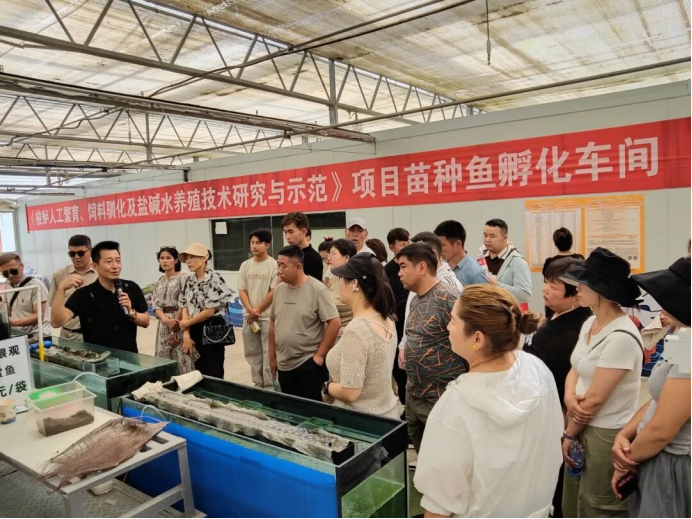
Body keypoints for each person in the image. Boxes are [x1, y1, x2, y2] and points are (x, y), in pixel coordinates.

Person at [415, 285, 563, 518]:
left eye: (453, 321)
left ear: (477, 338)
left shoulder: (456, 406)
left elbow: (439, 504)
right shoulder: (538, 370)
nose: (448, 327)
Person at [559, 248, 644, 519]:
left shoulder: (621, 337)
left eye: (583, 283)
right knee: (575, 500)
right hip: (579, 424)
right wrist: (569, 396)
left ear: (602, 290)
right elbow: (576, 366)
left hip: (604, 432)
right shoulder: (591, 323)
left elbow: (595, 400)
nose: (577, 288)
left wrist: (569, 433)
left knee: (599, 506)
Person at [611, 258, 691, 518]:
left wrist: (626, 461)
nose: (661, 306)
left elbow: (661, 430)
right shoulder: (684, 337)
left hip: (673, 466)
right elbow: (661, 397)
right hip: (656, 456)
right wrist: (626, 433)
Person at [524, 257, 593, 519]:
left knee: (557, 482)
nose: (545, 289)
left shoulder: (570, 332)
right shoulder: (568, 319)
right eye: (545, 282)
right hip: (552, 412)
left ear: (575, 295)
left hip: (556, 415)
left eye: (553, 286)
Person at [396, 243, 466, 455]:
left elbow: (469, 348)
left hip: (441, 401)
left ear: (422, 267)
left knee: (447, 461)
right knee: (426, 463)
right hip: (415, 398)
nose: (399, 273)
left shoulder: (448, 297)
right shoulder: (416, 299)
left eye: (403, 266)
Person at [323, 254, 399, 419]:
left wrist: (327, 387)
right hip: (387, 415)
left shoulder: (357, 331)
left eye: (342, 279)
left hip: (359, 422)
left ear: (355, 284)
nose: (339, 284)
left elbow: (350, 392)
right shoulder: (386, 317)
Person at [269, 246, 340, 401]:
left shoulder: (317, 289)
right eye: (278, 265)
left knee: (313, 410)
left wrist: (319, 356)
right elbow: (273, 323)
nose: (279, 271)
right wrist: (272, 357)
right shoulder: (279, 290)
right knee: (291, 409)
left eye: (283, 266)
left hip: (308, 363)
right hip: (284, 364)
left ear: (298, 266)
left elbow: (334, 322)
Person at [51, 241, 149, 352]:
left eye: (118, 261)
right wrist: (61, 289)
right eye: (109, 262)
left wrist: (131, 312)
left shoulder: (131, 287)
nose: (115, 266)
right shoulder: (85, 294)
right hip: (98, 359)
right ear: (95, 266)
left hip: (129, 357)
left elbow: (146, 322)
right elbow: (56, 322)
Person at [178, 243, 233, 379]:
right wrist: (186, 334)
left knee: (214, 371)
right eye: (187, 258)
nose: (188, 261)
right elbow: (185, 306)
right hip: (192, 328)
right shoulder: (189, 280)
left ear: (204, 258)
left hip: (211, 328)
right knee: (198, 371)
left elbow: (210, 311)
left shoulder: (214, 278)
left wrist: (186, 324)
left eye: (193, 257)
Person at [238, 230, 279, 390]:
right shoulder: (245, 265)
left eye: (258, 243)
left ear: (267, 245)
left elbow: (273, 291)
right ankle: (258, 386)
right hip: (249, 318)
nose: (254, 246)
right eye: (252, 242)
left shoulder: (274, 265)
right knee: (252, 354)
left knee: (269, 354)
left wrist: (257, 310)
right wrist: (250, 310)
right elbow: (242, 290)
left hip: (267, 317)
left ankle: (269, 388)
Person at [152, 247, 194, 374]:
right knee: (163, 359)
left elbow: (184, 302)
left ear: (176, 260)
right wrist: (165, 320)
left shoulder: (185, 277)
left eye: (168, 258)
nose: (164, 261)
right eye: (162, 258)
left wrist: (174, 326)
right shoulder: (159, 281)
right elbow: (156, 305)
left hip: (180, 321)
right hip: (163, 323)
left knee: (182, 358)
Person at [48, 235, 98, 341]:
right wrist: (62, 288)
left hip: (94, 334)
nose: (76, 257)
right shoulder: (59, 275)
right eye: (72, 254)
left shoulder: (100, 274)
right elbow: (54, 307)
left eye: (81, 253)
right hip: (67, 334)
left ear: (91, 251)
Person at [385, 228, 411, 405]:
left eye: (407, 243)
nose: (406, 247)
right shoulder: (387, 270)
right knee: (399, 371)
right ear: (391, 247)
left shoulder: (412, 266)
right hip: (394, 327)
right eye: (402, 244)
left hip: (408, 326)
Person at [0, 253, 51, 341]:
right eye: (5, 274)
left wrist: (14, 322)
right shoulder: (7, 286)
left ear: (22, 266)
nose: (10, 275)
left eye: (13, 271)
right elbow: (9, 312)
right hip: (19, 335)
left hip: (38, 336)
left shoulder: (36, 285)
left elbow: (39, 315)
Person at [480, 219, 532, 303]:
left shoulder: (518, 262)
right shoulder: (480, 258)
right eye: (485, 235)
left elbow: (524, 296)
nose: (487, 240)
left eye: (492, 236)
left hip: (506, 310)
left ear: (505, 238)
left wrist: (497, 286)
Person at [434, 220, 488, 286]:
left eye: (442, 245)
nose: (438, 249)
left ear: (458, 244)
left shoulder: (475, 273)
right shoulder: (440, 267)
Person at [282, 212, 323, 282]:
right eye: (285, 232)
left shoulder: (314, 258)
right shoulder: (285, 254)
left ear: (304, 232)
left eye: (291, 232)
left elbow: (315, 286)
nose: (287, 237)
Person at [328, 239, 357, 337]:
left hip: (351, 331)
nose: (329, 258)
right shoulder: (333, 276)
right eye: (329, 254)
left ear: (346, 257)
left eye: (333, 254)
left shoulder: (356, 280)